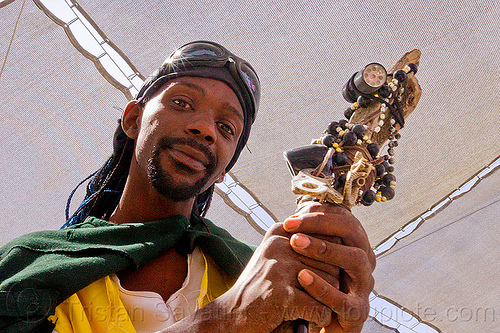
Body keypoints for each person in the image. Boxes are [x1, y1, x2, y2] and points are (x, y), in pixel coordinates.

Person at [0, 41, 375, 333]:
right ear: (133, 119)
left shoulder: (250, 269)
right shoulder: (34, 265)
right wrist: (229, 318)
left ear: (226, 168)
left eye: (227, 128)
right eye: (182, 102)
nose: (205, 129)